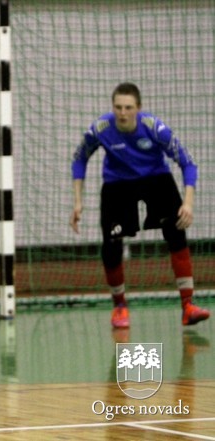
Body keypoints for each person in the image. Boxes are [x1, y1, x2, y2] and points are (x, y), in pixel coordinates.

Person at [70, 82, 210, 329]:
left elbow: (188, 163)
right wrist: (78, 202)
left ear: (139, 108)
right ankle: (119, 307)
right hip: (117, 184)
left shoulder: (155, 128)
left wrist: (188, 203)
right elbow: (79, 159)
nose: (122, 113)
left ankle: (188, 306)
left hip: (156, 179)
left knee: (176, 233)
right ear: (112, 107)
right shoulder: (100, 129)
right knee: (111, 244)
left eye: (128, 108)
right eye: (118, 107)